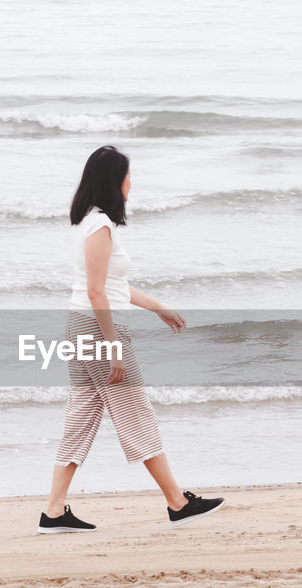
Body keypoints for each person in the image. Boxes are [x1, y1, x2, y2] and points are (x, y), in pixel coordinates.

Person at [38, 145, 224, 533]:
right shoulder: (100, 226)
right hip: (97, 331)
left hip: (82, 329)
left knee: (81, 419)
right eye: (127, 175)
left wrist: (158, 308)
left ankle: (53, 511)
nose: (130, 183)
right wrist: (114, 347)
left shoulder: (88, 222)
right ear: (113, 181)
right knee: (136, 413)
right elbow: (96, 292)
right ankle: (177, 502)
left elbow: (112, 285)